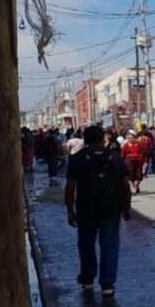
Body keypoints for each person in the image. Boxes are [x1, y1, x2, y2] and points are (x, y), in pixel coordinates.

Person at [65, 126, 131, 297]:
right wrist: (126, 206)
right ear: (103, 138)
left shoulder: (77, 158)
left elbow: (71, 187)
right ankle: (107, 283)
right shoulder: (113, 156)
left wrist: (70, 211)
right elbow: (125, 184)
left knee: (86, 244)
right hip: (111, 207)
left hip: (85, 208)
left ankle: (87, 278)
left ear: (85, 139)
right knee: (109, 244)